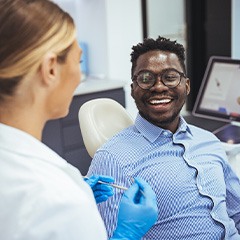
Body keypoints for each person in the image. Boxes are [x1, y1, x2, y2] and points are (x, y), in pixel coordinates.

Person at [0, 1, 158, 239]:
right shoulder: (60, 199)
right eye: (79, 61)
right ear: (51, 69)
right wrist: (126, 234)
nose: (78, 76)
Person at [88, 36, 240, 239]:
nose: (159, 87)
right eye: (145, 78)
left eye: (170, 77)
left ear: (186, 86)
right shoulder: (112, 158)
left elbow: (235, 211)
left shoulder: (208, 141)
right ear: (133, 89)